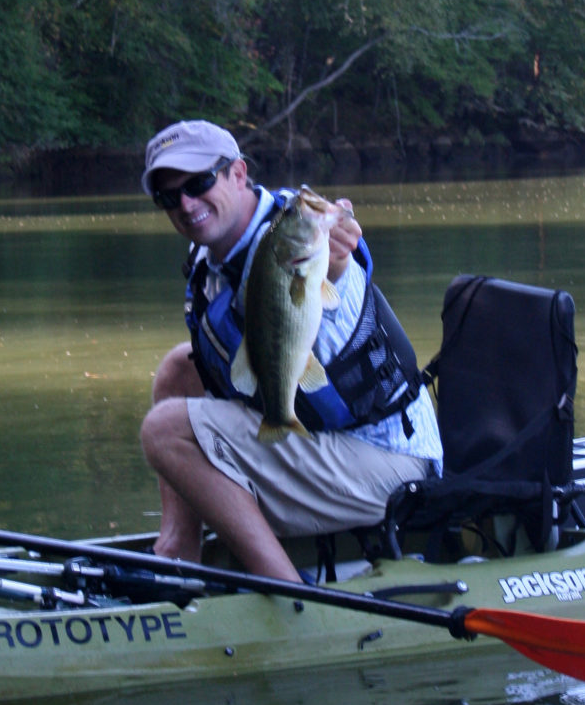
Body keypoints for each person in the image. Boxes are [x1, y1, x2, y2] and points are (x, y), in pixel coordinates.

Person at [139, 119, 442, 582]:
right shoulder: (212, 257)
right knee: (178, 371)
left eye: (199, 183)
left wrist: (337, 255)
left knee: (165, 431)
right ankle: (180, 548)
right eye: (168, 197)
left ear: (238, 174)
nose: (185, 203)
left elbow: (337, 275)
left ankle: (287, 591)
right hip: (322, 439)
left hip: (392, 463)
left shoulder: (297, 238)